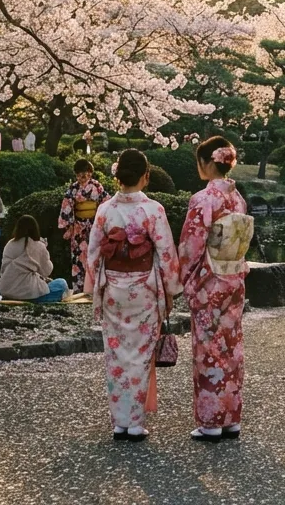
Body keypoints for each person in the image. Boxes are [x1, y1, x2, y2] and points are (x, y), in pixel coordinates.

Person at [87, 149, 181, 442]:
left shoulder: (105, 210)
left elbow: (93, 254)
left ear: (117, 176)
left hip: (114, 289)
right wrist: (171, 288)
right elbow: (166, 253)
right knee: (140, 355)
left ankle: (120, 423)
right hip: (144, 290)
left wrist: (95, 287)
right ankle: (135, 423)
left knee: (115, 354)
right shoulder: (153, 210)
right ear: (145, 176)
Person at [178, 136, 252, 443]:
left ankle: (210, 421)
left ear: (208, 163)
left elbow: (191, 246)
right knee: (231, 347)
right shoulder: (238, 199)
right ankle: (231, 418)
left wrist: (185, 279)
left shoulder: (203, 199)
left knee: (208, 348)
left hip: (210, 282)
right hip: (234, 278)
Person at [58, 159, 110, 293]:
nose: (84, 176)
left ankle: (95, 288)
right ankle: (79, 289)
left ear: (91, 173)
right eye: (81, 174)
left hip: (94, 226)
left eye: (87, 173)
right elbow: (67, 207)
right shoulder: (73, 189)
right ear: (76, 174)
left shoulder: (97, 186)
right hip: (79, 228)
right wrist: (68, 225)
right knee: (78, 258)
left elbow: (105, 203)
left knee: (95, 256)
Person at [0, 215, 70, 303]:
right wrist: (44, 249)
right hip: (29, 294)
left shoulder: (10, 244)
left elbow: (3, 270)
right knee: (61, 283)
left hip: (6, 290)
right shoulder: (38, 245)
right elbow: (46, 271)